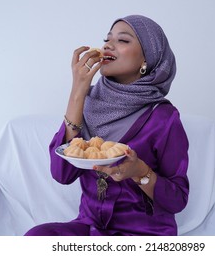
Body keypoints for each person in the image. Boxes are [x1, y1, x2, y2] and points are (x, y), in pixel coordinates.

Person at [25, 15, 189, 236]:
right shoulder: (88, 103)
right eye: (107, 39)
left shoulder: (163, 117)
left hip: (144, 234)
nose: (107, 45)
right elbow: (61, 174)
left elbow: (177, 199)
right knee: (37, 237)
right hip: (90, 228)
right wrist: (78, 92)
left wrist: (139, 171)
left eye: (123, 40)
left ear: (146, 60)